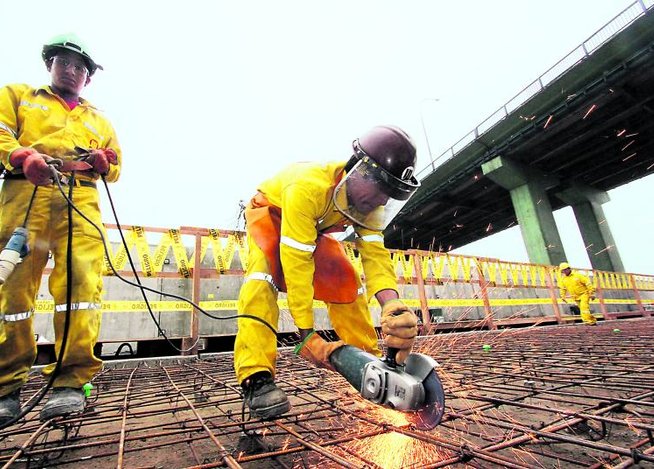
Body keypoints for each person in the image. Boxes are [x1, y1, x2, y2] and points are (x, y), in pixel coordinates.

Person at [235, 125, 420, 420]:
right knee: (262, 279)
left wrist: (393, 306)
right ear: (359, 172)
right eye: (381, 190)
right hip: (271, 213)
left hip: (311, 227)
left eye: (390, 194)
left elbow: (375, 256)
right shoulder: (308, 187)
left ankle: (371, 365)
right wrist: (307, 335)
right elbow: (297, 264)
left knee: (345, 281)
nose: (383, 201)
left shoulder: (369, 204)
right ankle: (255, 377)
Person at [0, 33, 122, 424]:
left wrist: (103, 162)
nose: (71, 71)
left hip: (79, 199)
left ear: (88, 77)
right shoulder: (19, 96)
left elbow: (116, 167)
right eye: (63, 62)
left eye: (79, 67)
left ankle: (70, 382)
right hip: (27, 194)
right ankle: (6, 387)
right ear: (49, 65)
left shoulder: (98, 119)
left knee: (81, 287)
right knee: (14, 290)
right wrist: (22, 156)